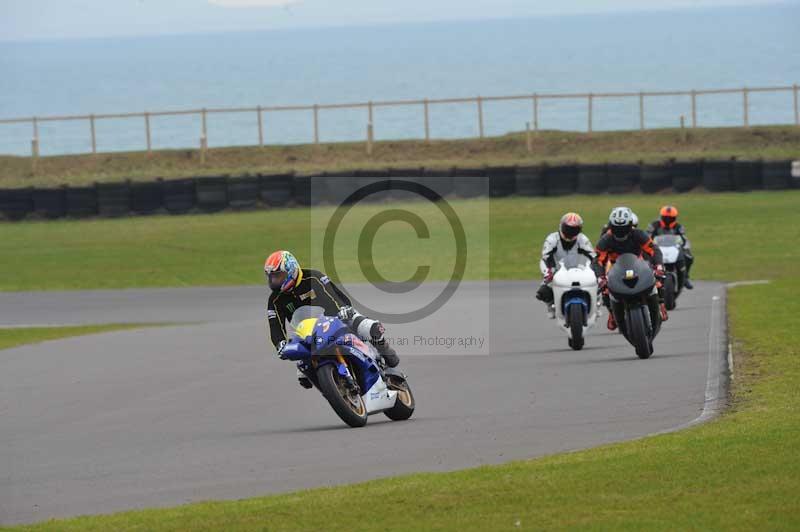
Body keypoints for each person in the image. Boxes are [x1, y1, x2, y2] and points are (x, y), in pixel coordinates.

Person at [265, 250, 399, 389]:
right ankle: (337, 388)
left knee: (368, 327)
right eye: (271, 277)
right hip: (309, 335)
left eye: (278, 276)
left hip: (337, 317)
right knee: (303, 375)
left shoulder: (313, 277)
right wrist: (280, 344)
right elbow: (275, 325)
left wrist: (342, 309)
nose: (273, 281)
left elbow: (335, 295)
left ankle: (384, 348)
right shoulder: (275, 299)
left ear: (291, 270)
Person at [596, 207, 668, 331]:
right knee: (605, 289)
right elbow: (597, 260)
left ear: (630, 226)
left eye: (623, 228)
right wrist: (600, 277)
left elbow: (654, 250)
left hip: (638, 264)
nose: (620, 231)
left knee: (657, 280)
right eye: (616, 228)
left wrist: (659, 266)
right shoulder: (606, 239)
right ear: (610, 226)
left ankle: (661, 303)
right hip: (614, 267)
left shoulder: (639, 234)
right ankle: (612, 313)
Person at [535, 212, 598, 318]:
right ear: (561, 226)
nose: (571, 232)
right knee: (542, 293)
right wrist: (549, 272)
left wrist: (596, 272)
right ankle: (551, 304)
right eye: (568, 229)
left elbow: (593, 257)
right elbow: (545, 257)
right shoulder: (552, 239)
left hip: (579, 270)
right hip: (556, 270)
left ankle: (596, 304)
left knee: (598, 284)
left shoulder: (582, 239)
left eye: (574, 230)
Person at [647, 205, 694, 289]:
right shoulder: (654, 225)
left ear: (674, 218)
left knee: (689, 257)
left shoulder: (678, 227)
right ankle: (647, 277)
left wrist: (685, 246)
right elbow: (647, 237)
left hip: (674, 249)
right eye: (666, 218)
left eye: (670, 218)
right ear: (661, 217)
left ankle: (685, 277)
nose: (668, 220)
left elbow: (684, 239)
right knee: (646, 259)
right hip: (658, 249)